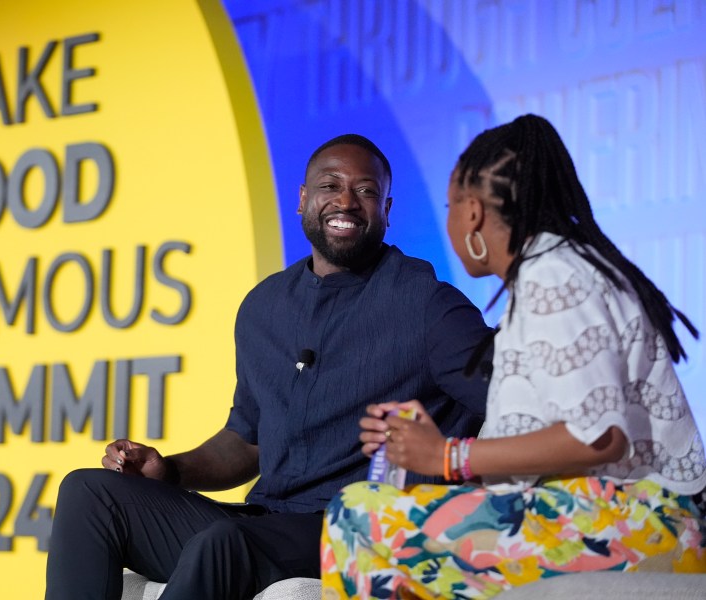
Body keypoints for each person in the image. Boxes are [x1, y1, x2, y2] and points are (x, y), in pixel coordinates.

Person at [45, 134, 491, 600]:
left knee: (224, 544)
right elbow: (246, 441)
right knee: (88, 493)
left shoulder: (427, 304)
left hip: (353, 529)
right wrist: (170, 469)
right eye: (330, 185)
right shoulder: (264, 307)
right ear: (302, 199)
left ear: (386, 210)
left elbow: (510, 404)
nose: (346, 201)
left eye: (366, 191)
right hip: (262, 520)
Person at [320, 115, 706, 599]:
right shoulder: (553, 270)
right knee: (386, 518)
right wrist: (431, 445)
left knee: (357, 516)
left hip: (647, 524)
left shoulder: (555, 275)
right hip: (610, 514)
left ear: (474, 213)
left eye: (449, 207)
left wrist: (445, 455)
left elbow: (599, 438)